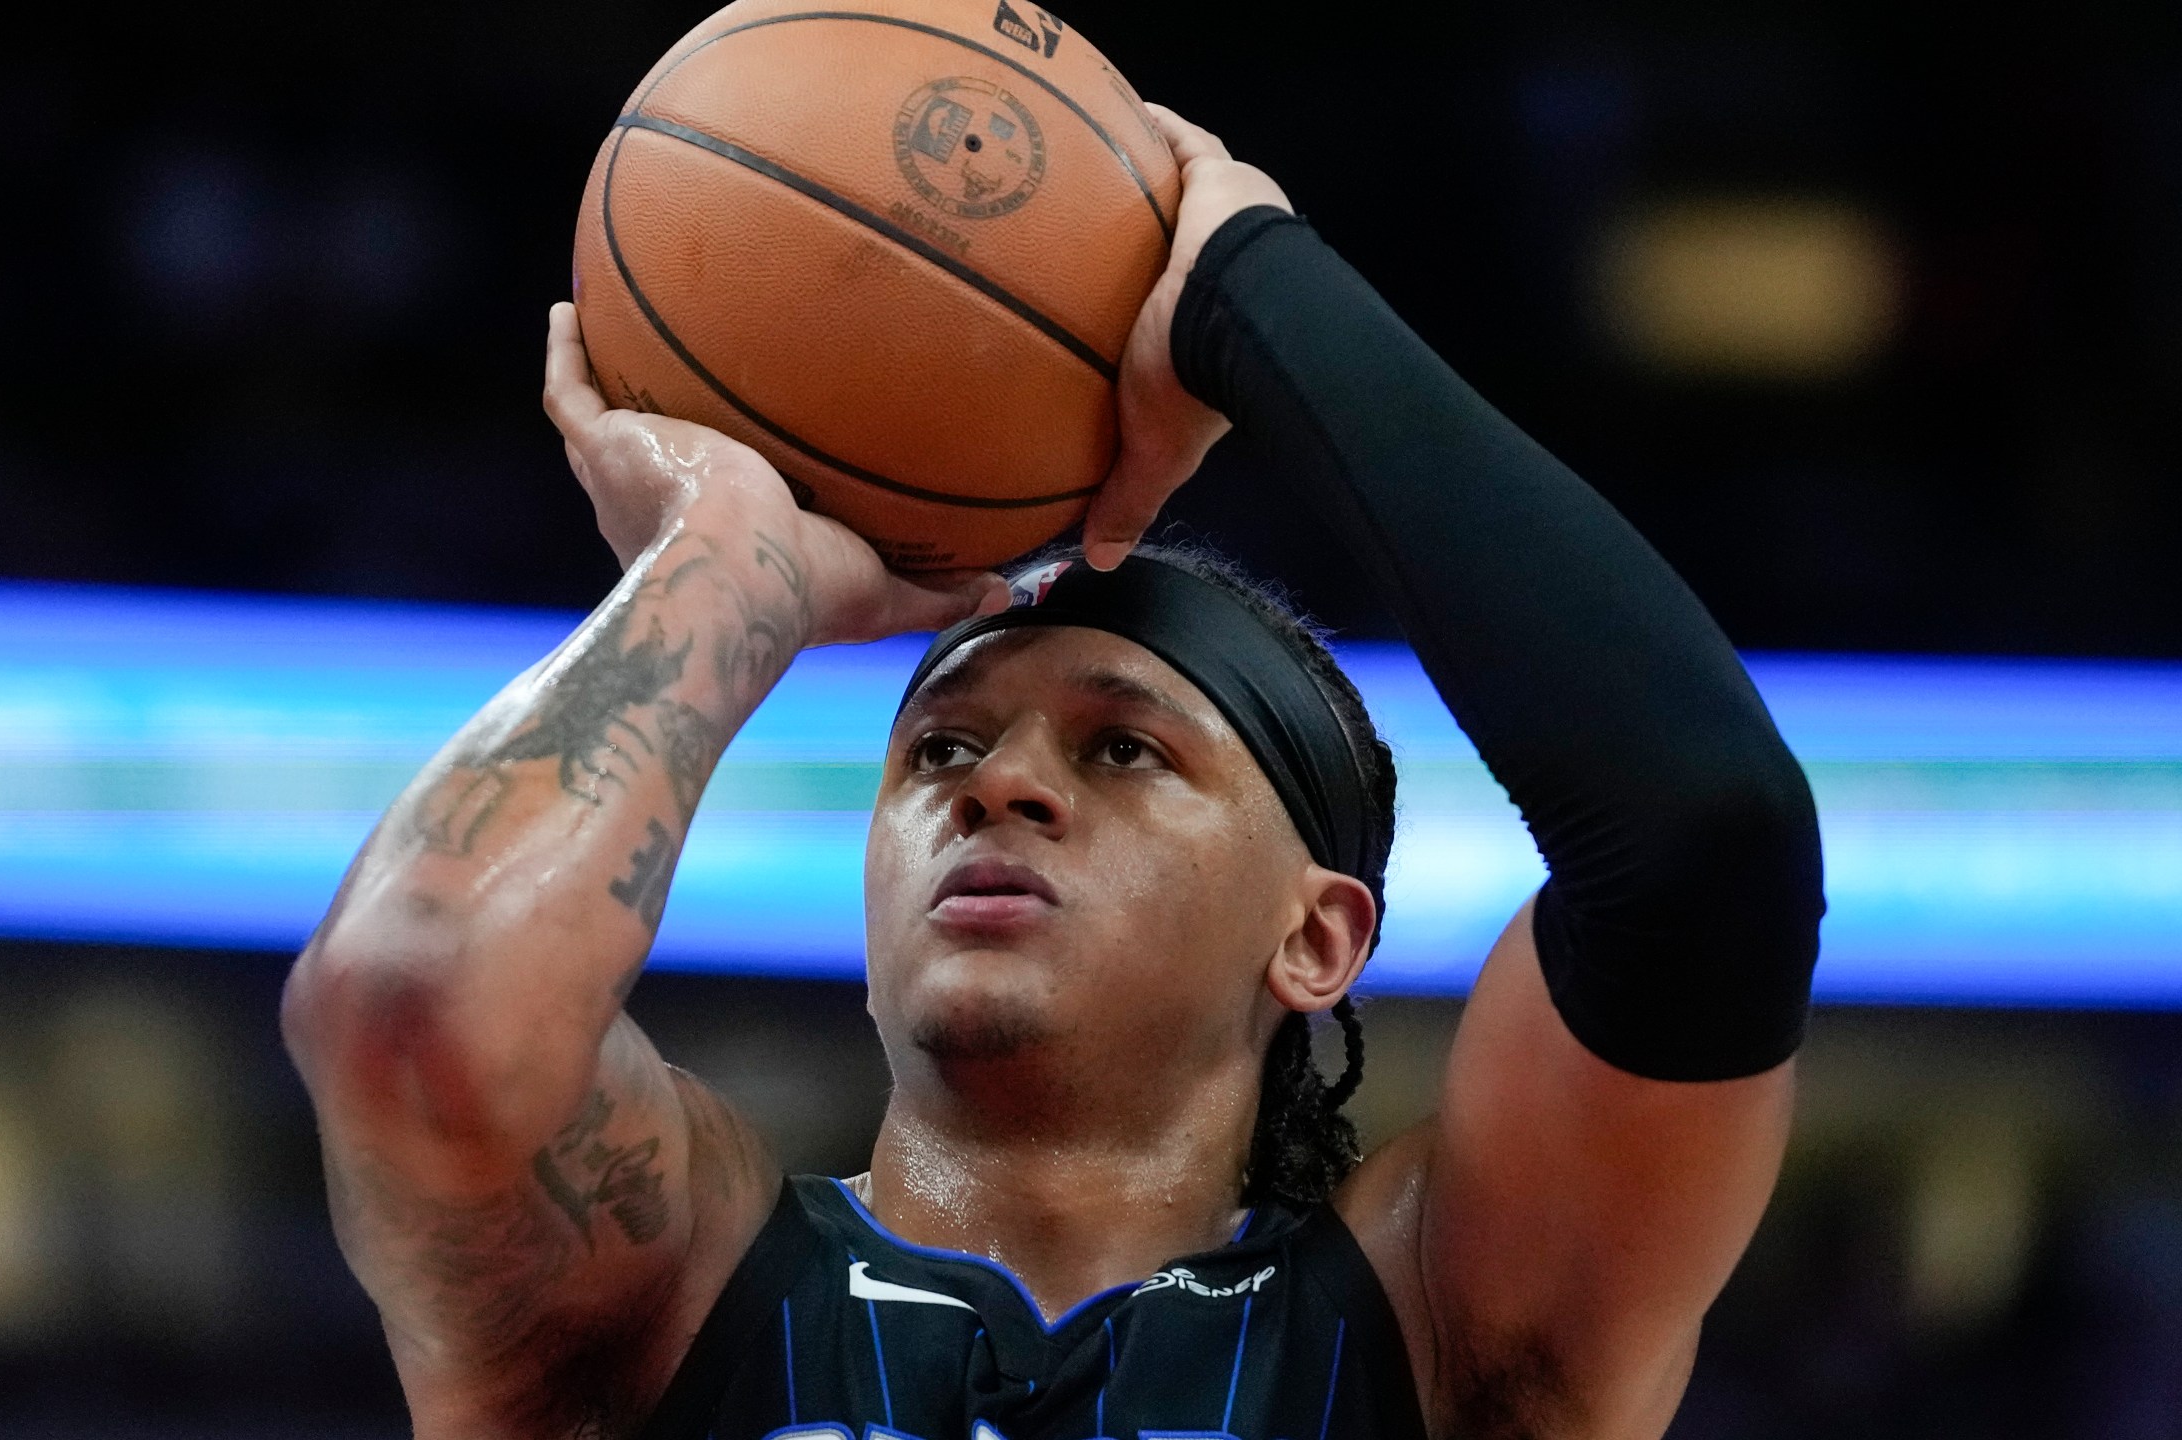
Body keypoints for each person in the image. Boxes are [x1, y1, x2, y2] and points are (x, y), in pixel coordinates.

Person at [279, 105, 1824, 1440]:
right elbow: (414, 1001)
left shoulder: (1438, 1330)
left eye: (1124, 748)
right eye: (940, 746)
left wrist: (1251, 290)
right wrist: (728, 563)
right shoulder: (664, 1286)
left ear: (1319, 935)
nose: (996, 785)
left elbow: (1706, 840)